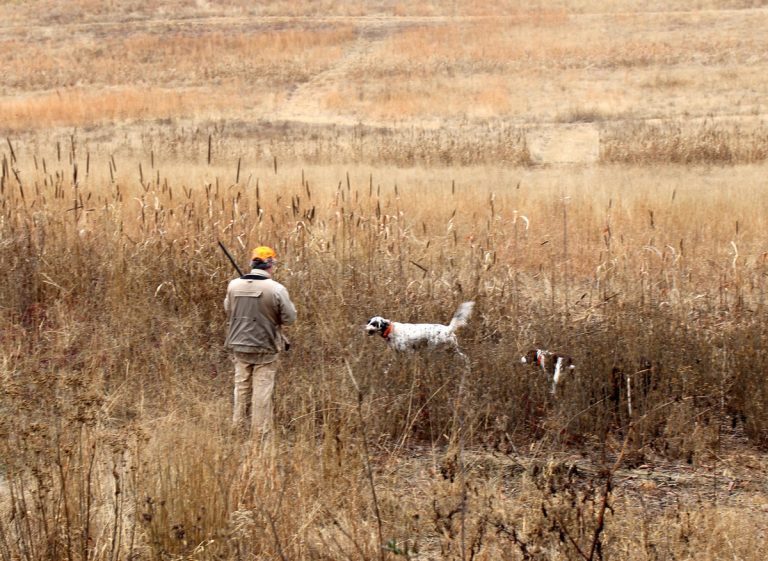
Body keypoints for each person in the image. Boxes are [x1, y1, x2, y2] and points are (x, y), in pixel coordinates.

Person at [224, 246, 296, 440]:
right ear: (270, 265)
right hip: (265, 347)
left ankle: (237, 430)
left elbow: (228, 309)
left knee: (241, 388)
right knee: (262, 391)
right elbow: (289, 318)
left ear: (252, 263)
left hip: (238, 345)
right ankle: (260, 435)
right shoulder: (277, 289)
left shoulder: (233, 286)